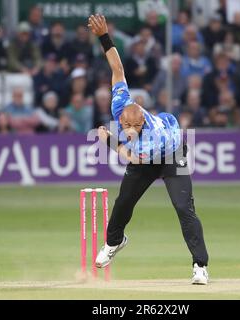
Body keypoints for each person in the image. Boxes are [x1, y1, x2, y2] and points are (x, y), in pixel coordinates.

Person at [88, 14, 209, 285]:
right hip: (148, 150)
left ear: (141, 121)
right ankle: (114, 242)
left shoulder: (150, 139)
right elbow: (117, 68)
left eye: (133, 126)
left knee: (183, 207)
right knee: (123, 202)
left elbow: (129, 154)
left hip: (171, 153)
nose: (128, 128)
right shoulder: (120, 102)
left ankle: (200, 265)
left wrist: (110, 141)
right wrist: (104, 37)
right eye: (125, 124)